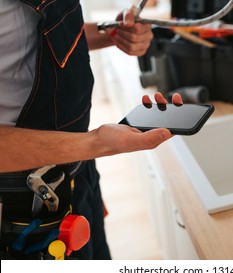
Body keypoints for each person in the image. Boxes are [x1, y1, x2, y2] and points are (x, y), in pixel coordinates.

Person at [0, 0, 182, 259]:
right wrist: (95, 143)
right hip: (21, 210)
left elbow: (25, 39)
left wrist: (111, 32)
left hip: (77, 173)